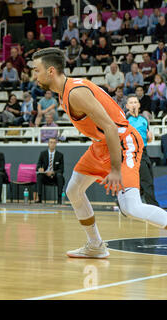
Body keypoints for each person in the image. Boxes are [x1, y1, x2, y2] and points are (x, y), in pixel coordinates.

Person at [32, 48, 167, 259]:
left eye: (36, 70)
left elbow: (111, 128)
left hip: (122, 142)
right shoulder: (64, 92)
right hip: (101, 144)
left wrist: (114, 169)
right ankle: (95, 245)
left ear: (50, 71)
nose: (34, 75)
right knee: (74, 191)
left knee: (130, 207)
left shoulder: (76, 93)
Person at [126, 96, 159, 206]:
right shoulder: (126, 121)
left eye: (135, 102)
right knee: (147, 182)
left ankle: (130, 205)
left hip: (144, 152)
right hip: (133, 153)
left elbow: (148, 138)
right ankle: (154, 207)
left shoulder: (144, 119)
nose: (134, 104)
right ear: (127, 106)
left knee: (146, 181)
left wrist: (149, 137)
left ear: (139, 105)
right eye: (131, 102)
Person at [36, 137, 64, 204]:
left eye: (54, 142)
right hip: (45, 176)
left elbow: (61, 169)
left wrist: (53, 172)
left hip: (55, 177)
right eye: (51, 142)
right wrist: (40, 168)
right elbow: (38, 165)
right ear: (48, 144)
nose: (52, 144)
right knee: (39, 175)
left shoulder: (60, 155)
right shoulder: (43, 154)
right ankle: (39, 198)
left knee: (60, 176)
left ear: (56, 144)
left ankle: (59, 199)